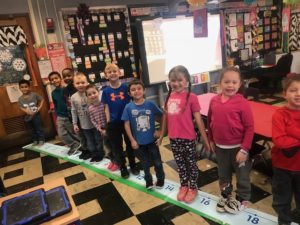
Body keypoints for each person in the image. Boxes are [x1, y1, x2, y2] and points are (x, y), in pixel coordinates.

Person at [157, 65, 210, 204]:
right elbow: (166, 118)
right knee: (180, 165)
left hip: (188, 139)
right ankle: (184, 185)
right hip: (174, 139)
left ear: (187, 80)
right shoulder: (169, 97)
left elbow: (198, 120)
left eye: (180, 80)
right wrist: (162, 135)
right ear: (169, 82)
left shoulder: (192, 97)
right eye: (173, 80)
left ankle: (193, 187)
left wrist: (205, 140)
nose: (176, 83)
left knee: (191, 164)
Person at [207, 66, 254, 214]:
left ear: (240, 84)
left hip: (238, 149)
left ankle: (242, 199)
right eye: (227, 82)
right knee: (223, 175)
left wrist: (244, 149)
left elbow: (250, 128)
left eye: (234, 82)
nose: (230, 85)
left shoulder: (243, 103)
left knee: (242, 176)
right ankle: (226, 195)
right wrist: (211, 140)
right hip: (220, 148)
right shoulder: (214, 101)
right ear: (220, 83)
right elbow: (210, 122)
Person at [122, 79, 165, 189]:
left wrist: (160, 131)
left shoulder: (150, 104)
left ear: (144, 90)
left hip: (152, 141)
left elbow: (162, 116)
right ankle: (149, 181)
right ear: (129, 93)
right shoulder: (128, 107)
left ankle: (160, 179)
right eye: (133, 89)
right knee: (145, 164)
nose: (136, 91)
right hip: (139, 143)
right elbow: (126, 124)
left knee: (158, 162)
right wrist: (132, 140)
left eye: (139, 88)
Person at [101, 63, 139, 178]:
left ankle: (133, 164)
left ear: (119, 73)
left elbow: (133, 102)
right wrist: (108, 122)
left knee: (130, 144)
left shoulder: (126, 87)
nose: (112, 73)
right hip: (113, 123)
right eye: (109, 72)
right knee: (117, 147)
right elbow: (106, 107)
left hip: (127, 121)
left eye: (114, 71)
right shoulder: (106, 91)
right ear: (106, 75)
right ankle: (122, 166)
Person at [271, 73, 300, 225]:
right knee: (281, 200)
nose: (298, 94)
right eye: (293, 90)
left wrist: (290, 131)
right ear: (284, 94)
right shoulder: (279, 115)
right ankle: (284, 222)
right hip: (282, 167)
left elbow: (286, 137)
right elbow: (280, 141)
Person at [71, 72, 103, 162]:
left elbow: (99, 103)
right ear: (74, 84)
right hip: (85, 125)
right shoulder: (73, 97)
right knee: (89, 141)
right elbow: (73, 111)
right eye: (77, 83)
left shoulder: (91, 93)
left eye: (83, 82)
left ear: (87, 83)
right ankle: (94, 154)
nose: (80, 85)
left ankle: (100, 153)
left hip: (96, 124)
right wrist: (74, 124)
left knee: (98, 139)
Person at [48, 71, 81, 155]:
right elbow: (56, 104)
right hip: (60, 116)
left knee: (73, 133)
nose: (54, 80)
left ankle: (83, 145)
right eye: (52, 80)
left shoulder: (65, 90)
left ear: (60, 79)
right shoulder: (53, 93)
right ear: (50, 82)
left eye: (56, 78)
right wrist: (54, 110)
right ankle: (74, 144)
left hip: (68, 116)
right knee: (62, 134)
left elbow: (70, 102)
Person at [62, 68, 88, 159]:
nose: (67, 78)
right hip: (74, 117)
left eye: (69, 75)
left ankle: (93, 150)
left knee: (88, 134)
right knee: (81, 135)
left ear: (73, 76)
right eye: (64, 76)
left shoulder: (80, 87)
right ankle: (85, 150)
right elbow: (69, 105)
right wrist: (73, 121)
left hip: (84, 116)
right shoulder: (65, 90)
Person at [18, 79, 45, 145]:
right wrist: (26, 111)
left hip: (36, 115)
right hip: (28, 117)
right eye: (22, 87)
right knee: (31, 129)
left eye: (26, 87)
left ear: (29, 87)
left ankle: (41, 139)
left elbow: (42, 100)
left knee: (38, 127)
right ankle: (35, 140)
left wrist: (39, 108)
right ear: (19, 88)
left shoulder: (34, 94)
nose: (24, 88)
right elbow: (21, 106)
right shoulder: (20, 99)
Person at [85, 84, 106, 162]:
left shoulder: (104, 104)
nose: (92, 95)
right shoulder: (90, 108)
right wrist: (98, 128)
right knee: (99, 142)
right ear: (87, 97)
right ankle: (101, 154)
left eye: (94, 93)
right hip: (99, 129)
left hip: (108, 127)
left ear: (98, 92)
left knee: (109, 141)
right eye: (89, 94)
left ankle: (111, 154)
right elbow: (92, 120)